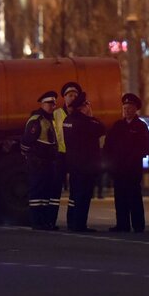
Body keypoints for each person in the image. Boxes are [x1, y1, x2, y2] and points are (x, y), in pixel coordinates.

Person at [103, 93, 149, 233]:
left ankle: (138, 225)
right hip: (119, 169)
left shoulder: (141, 127)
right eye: (125, 108)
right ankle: (122, 224)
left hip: (133, 169)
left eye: (130, 108)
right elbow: (108, 145)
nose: (127, 111)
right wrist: (109, 162)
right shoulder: (117, 126)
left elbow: (144, 147)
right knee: (120, 198)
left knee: (134, 197)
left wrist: (133, 158)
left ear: (135, 109)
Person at [62, 91, 105, 232]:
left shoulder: (67, 120)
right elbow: (101, 128)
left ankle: (72, 222)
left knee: (74, 196)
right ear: (83, 107)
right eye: (87, 104)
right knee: (84, 196)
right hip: (86, 166)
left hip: (74, 164)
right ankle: (80, 224)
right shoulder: (85, 122)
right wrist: (91, 116)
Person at [20, 90, 59, 230]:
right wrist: (32, 159)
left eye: (53, 104)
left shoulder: (50, 119)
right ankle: (37, 222)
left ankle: (44, 221)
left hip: (48, 162)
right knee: (37, 193)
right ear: (42, 104)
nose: (52, 106)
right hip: (38, 163)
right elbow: (26, 142)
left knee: (45, 194)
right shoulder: (37, 120)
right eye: (49, 103)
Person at [50, 81, 82, 229]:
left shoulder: (80, 114)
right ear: (64, 97)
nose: (72, 98)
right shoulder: (56, 114)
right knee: (55, 189)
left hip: (75, 156)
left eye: (75, 95)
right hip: (60, 156)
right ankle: (50, 220)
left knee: (75, 190)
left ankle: (73, 221)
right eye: (70, 95)